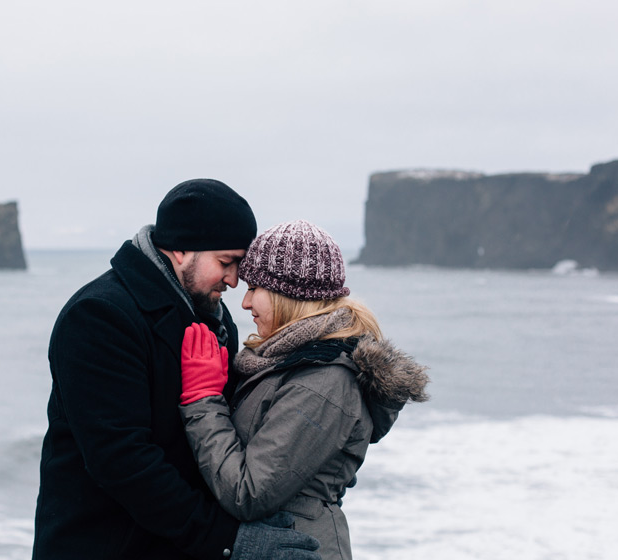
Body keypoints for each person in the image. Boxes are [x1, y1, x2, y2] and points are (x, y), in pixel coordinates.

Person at [32, 181, 321, 559]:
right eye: (226, 262)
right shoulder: (100, 316)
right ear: (182, 249)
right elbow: (122, 459)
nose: (234, 280)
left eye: (239, 265)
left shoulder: (213, 319)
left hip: (172, 543)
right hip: (104, 543)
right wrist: (228, 540)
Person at [178, 219, 430, 560]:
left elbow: (249, 493)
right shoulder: (286, 362)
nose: (245, 302)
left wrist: (203, 400)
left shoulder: (324, 382)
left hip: (302, 549)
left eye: (255, 288)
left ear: (289, 295)